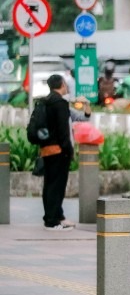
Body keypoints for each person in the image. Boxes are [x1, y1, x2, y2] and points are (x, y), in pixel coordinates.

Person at [39, 74, 76, 231]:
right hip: (59, 151)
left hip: (46, 149)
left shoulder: (44, 101)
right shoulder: (60, 103)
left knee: (49, 184)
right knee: (57, 186)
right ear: (61, 84)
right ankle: (52, 221)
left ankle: (52, 216)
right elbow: (63, 131)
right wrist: (68, 150)